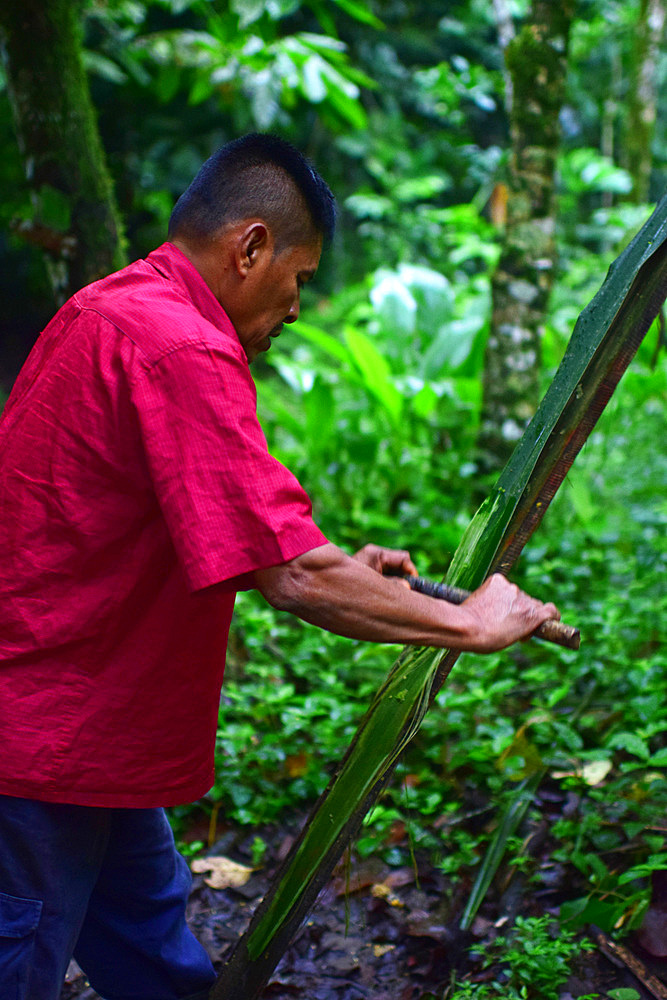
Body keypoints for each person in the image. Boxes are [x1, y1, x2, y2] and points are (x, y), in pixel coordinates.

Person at [0, 133, 558, 1000]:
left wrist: (350, 566)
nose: (296, 306)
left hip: (88, 728)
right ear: (250, 246)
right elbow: (290, 574)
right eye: (299, 278)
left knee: (155, 952)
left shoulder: (111, 309)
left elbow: (213, 526)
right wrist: (470, 623)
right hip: (45, 741)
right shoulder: (181, 345)